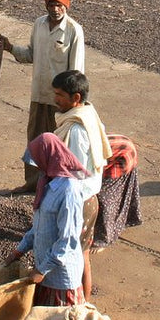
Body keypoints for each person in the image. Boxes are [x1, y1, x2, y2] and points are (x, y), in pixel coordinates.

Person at [0, 0, 85, 191]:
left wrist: (73, 103)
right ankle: (33, 184)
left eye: (59, 4)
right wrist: (9, 47)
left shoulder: (73, 31)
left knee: (59, 144)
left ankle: (56, 185)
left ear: (66, 6)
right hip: (39, 95)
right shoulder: (39, 25)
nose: (55, 9)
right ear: (46, 5)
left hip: (61, 100)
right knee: (35, 141)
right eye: (51, 4)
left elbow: (77, 72)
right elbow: (30, 54)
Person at [5, 133, 87, 306]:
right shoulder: (47, 184)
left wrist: (42, 269)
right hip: (44, 270)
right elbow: (39, 227)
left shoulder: (68, 190)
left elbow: (67, 239)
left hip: (61, 278)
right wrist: (18, 251)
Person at [50, 69, 109, 297]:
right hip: (89, 199)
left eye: (60, 95)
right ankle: (83, 304)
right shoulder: (89, 114)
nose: (55, 99)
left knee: (76, 257)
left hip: (79, 201)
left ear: (75, 98)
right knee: (81, 253)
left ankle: (80, 305)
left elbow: (72, 174)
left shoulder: (75, 129)